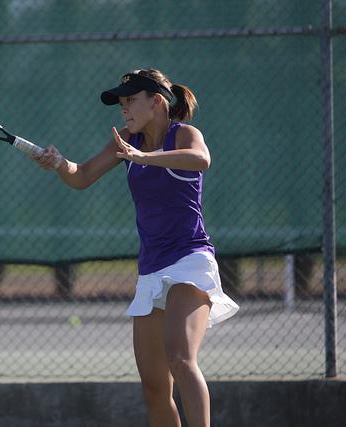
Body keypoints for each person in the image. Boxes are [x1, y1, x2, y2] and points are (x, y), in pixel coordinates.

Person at [31, 68, 239, 427]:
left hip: (190, 261)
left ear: (157, 101)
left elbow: (200, 159)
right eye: (120, 103)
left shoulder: (183, 134)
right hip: (151, 270)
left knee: (180, 358)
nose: (123, 109)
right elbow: (81, 176)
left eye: (130, 101)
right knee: (154, 390)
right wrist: (59, 163)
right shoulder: (125, 141)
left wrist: (145, 158)